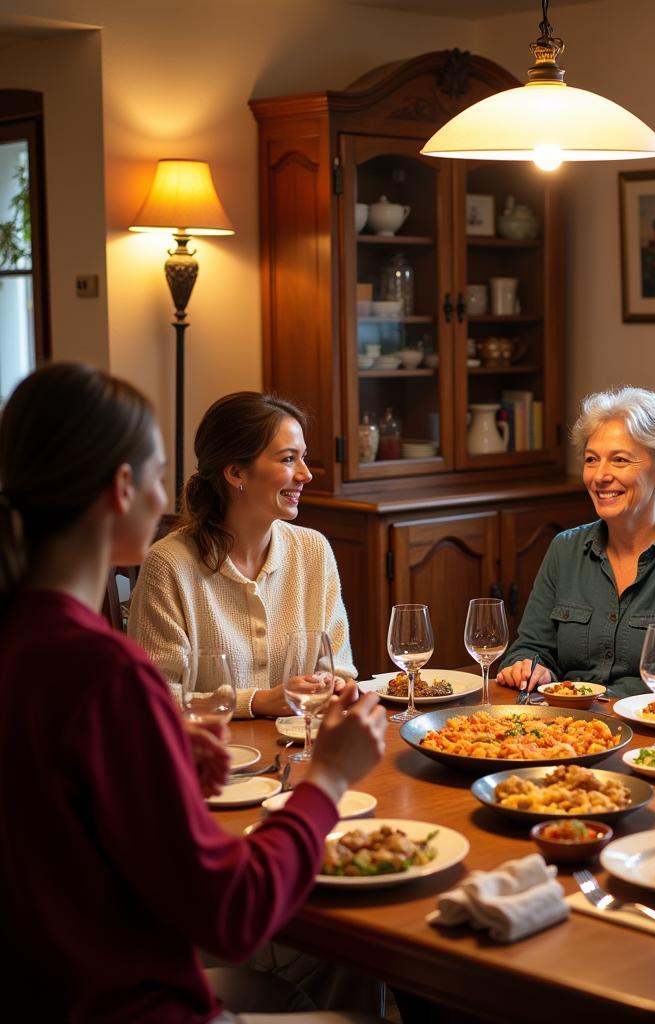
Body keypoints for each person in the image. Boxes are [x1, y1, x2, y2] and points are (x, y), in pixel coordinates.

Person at [0, 362, 388, 1022]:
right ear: (123, 489)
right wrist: (326, 781)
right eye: (156, 475)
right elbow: (230, 914)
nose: (168, 497)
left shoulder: (24, 643)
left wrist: (168, 754)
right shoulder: (106, 674)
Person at [496, 386, 655, 697]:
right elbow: (531, 648)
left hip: (652, 735)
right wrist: (529, 666)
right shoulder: (564, 549)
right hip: (563, 731)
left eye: (620, 460)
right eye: (592, 459)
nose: (600, 476)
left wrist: (592, 700)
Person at [129, 392, 355, 718]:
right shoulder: (169, 564)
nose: (306, 474)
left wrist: (334, 686)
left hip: (300, 748)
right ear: (236, 473)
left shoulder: (314, 551)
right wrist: (256, 701)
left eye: (303, 457)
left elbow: (340, 668)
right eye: (289, 459)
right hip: (213, 755)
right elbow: (152, 697)